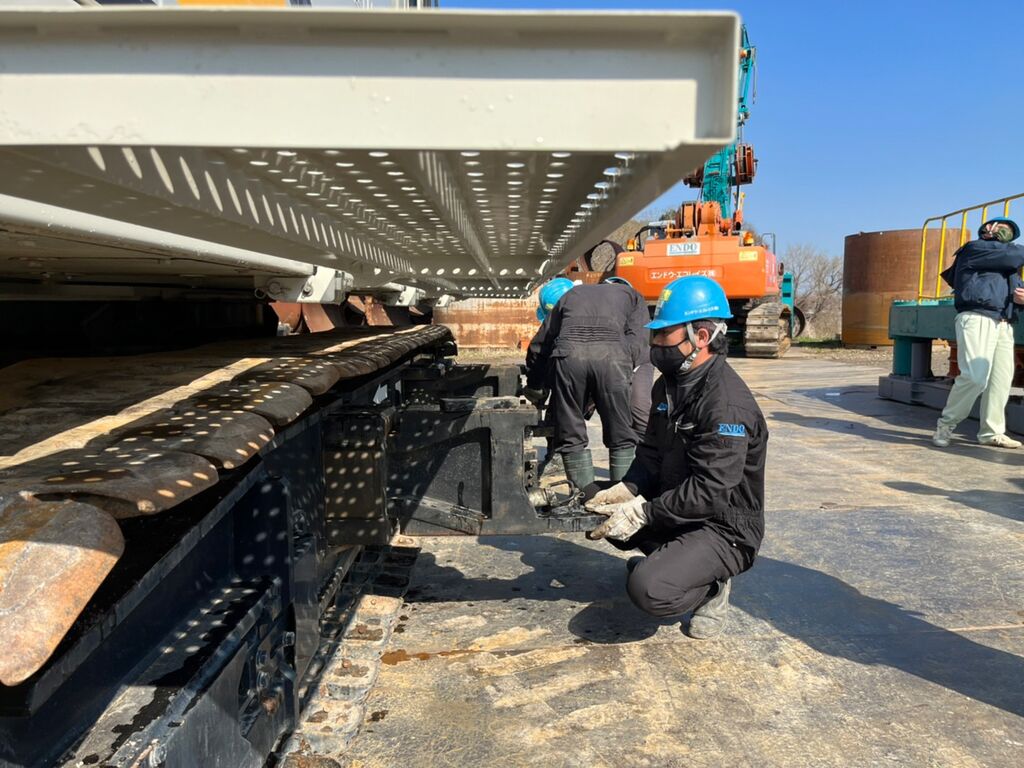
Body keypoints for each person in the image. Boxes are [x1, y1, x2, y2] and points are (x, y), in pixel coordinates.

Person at [585, 275, 766, 639]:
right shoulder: (668, 386)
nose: (654, 343)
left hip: (723, 527)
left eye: (664, 333)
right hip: (681, 505)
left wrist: (644, 512)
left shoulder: (726, 406)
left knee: (648, 589)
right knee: (597, 505)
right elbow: (651, 453)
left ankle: (712, 586)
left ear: (702, 337)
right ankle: (675, 563)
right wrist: (628, 488)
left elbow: (710, 492)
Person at [524, 276, 650, 489]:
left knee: (571, 434)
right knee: (621, 434)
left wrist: (535, 384)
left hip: (569, 359)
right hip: (614, 360)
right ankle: (621, 496)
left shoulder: (570, 296)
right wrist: (622, 364)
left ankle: (582, 497)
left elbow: (539, 345)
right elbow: (639, 339)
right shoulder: (634, 297)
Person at [933, 218, 1024, 449]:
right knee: (975, 376)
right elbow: (1015, 255)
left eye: (1009, 231)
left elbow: (1017, 288)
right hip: (977, 317)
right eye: (1000, 227)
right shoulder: (975, 249)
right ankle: (946, 424)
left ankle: (991, 433)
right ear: (987, 229)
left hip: (1004, 322)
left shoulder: (1008, 267)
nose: (1004, 232)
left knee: (1000, 380)